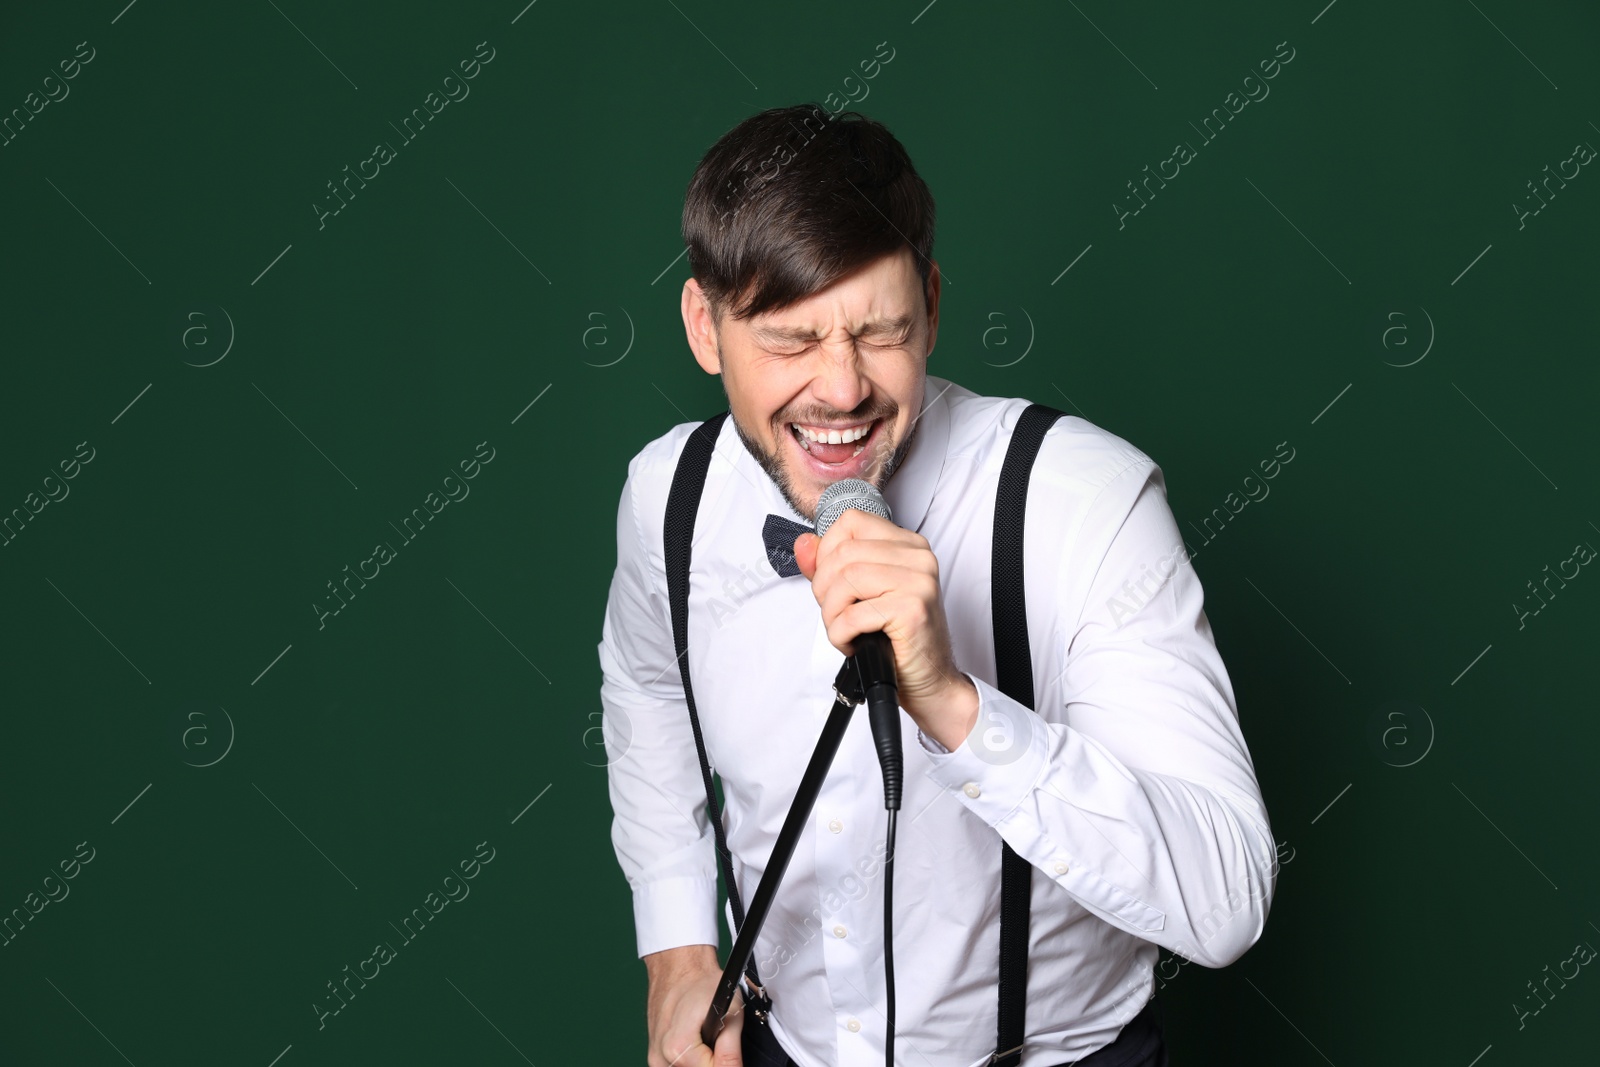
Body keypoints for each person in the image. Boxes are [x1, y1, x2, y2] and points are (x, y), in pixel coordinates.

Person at [598, 103, 1276, 1067]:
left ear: (934, 305)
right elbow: (646, 694)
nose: (841, 391)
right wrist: (675, 949)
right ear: (706, 328)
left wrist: (958, 707)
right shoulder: (667, 497)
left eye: (882, 332)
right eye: (791, 341)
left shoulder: (1087, 500)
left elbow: (1227, 900)